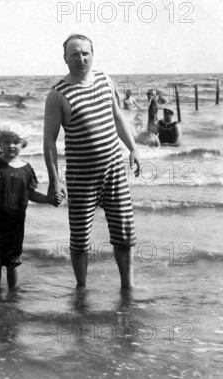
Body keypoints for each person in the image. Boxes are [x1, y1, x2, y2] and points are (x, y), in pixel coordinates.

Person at [43, 34, 141, 289]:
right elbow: (49, 141)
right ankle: (82, 288)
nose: (81, 58)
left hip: (114, 170)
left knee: (125, 233)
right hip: (80, 176)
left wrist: (133, 149)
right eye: (74, 54)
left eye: (85, 53)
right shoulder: (57, 94)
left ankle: (127, 286)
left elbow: (118, 117)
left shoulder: (105, 80)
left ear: (92, 55)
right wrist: (55, 180)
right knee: (80, 238)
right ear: (65, 58)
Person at [0, 124, 62, 291]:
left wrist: (49, 199)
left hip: (16, 222)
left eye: (15, 141)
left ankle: (13, 296)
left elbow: (32, 194)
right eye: (6, 141)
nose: (11, 145)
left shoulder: (27, 169)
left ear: (23, 143)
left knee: (13, 260)